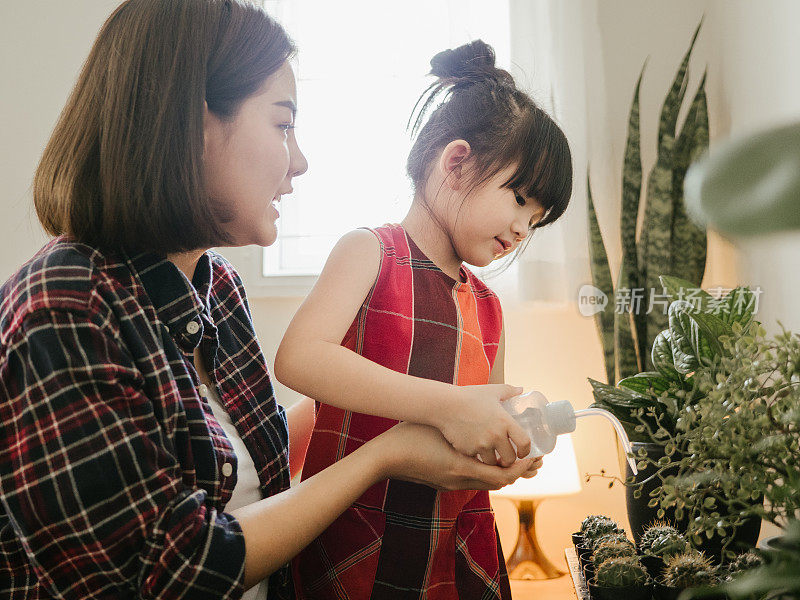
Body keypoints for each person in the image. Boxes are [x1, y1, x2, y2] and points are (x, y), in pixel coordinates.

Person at [0, 3, 543, 599]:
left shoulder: (216, 287)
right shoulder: (64, 305)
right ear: (187, 121)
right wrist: (385, 455)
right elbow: (173, 574)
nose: (301, 162)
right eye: (283, 125)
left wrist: (426, 410)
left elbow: (243, 470)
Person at [276, 40, 573, 599]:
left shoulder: (488, 308)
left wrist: (508, 449)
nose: (522, 231)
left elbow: (477, 427)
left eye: (536, 221)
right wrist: (450, 405)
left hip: (450, 548)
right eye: (519, 200)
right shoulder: (370, 252)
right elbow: (300, 358)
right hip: (355, 537)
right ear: (455, 163)